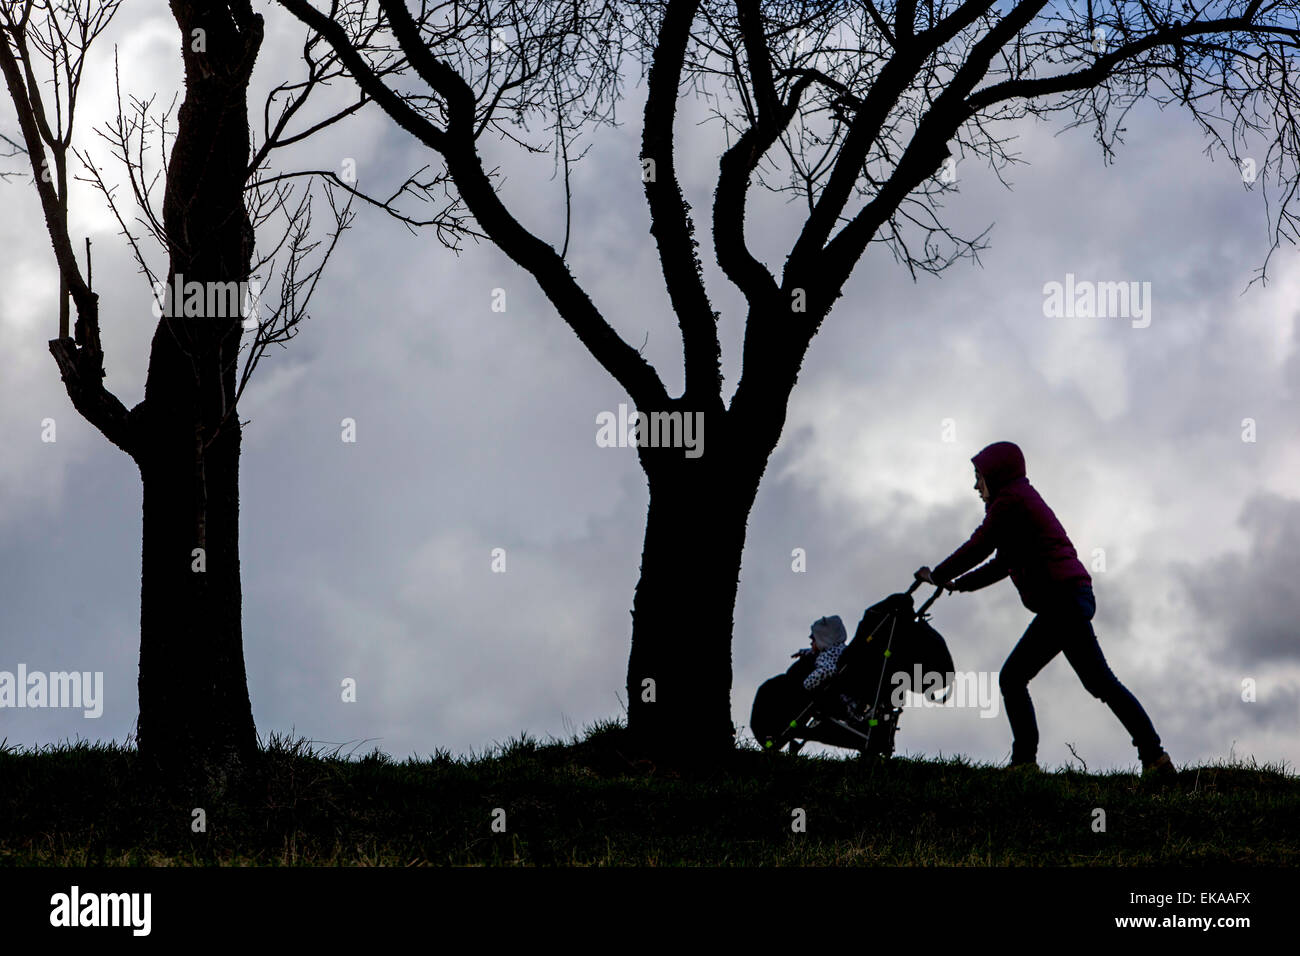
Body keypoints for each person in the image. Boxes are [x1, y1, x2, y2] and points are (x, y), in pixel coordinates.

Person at [915, 441, 1175, 778]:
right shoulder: (1016, 502)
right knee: (1097, 682)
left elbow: (979, 546)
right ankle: (1155, 759)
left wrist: (937, 574)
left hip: (1062, 599)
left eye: (978, 477)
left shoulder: (1010, 502)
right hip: (1067, 598)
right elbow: (1001, 563)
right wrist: (956, 584)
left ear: (995, 474)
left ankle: (1026, 762)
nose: (975, 486)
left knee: (1015, 677)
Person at [794, 615, 863, 717]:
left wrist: (806, 684)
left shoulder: (827, 655)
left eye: (814, 639)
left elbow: (827, 670)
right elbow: (815, 651)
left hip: (843, 702)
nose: (811, 642)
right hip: (851, 698)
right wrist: (803, 652)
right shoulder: (839, 649)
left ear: (823, 640)